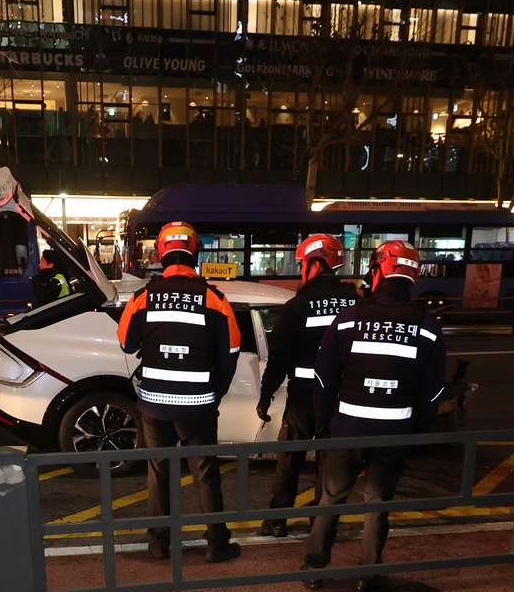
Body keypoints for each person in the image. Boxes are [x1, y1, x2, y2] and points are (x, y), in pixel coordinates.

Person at [301, 239, 446, 592]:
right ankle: (368, 576)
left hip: (348, 427)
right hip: (394, 431)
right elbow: (433, 389)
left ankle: (314, 567)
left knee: (331, 498)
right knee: (378, 505)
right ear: (413, 276)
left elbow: (323, 374)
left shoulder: (350, 317)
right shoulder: (426, 325)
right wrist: (419, 429)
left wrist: (323, 417)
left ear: (379, 271)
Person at [116, 220, 242, 563]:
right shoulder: (215, 299)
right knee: (205, 474)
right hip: (198, 405)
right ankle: (216, 544)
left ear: (160, 254)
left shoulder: (143, 297)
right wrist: (215, 394)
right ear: (194, 252)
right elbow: (231, 351)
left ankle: (159, 544)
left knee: (159, 472)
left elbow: (126, 343)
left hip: (154, 404)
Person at [256, 234, 355, 536]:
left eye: (302, 264)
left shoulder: (298, 305)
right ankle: (321, 524)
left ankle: (277, 521)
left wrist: (266, 394)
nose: (301, 270)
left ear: (315, 264)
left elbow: (280, 356)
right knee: (329, 462)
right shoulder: (356, 303)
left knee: (290, 459)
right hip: (340, 398)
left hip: (303, 397)